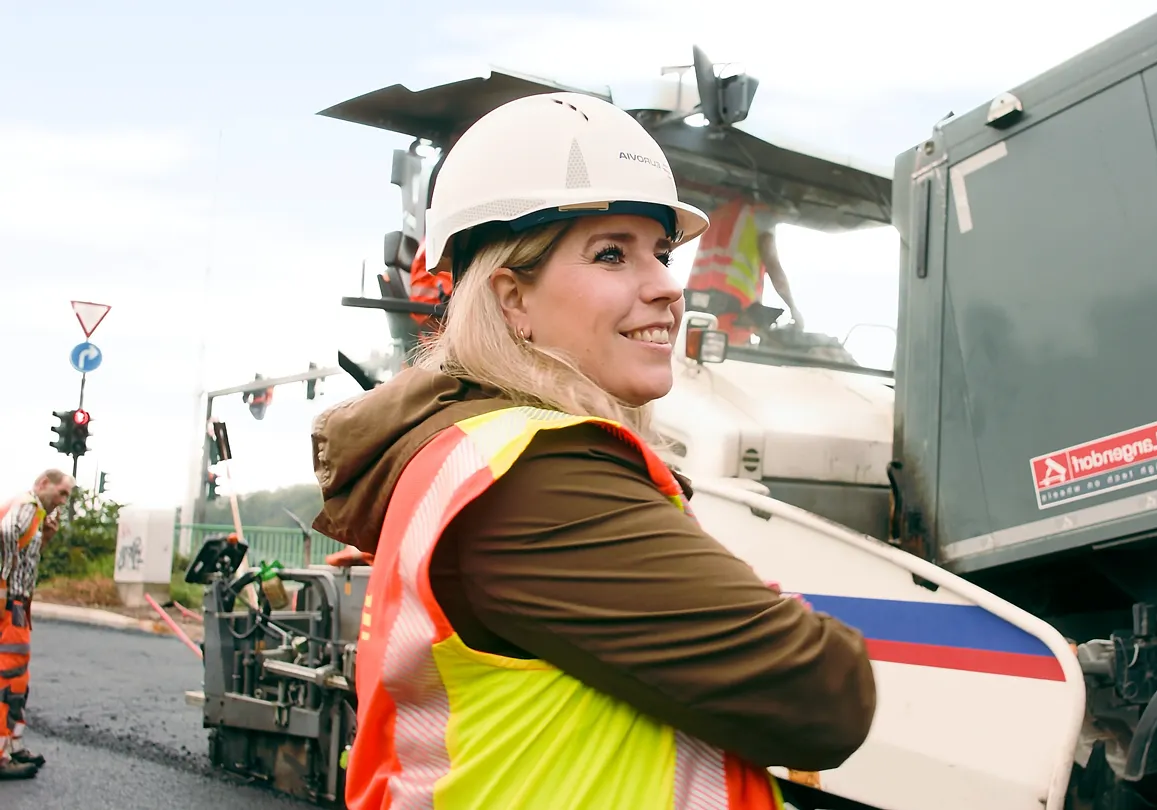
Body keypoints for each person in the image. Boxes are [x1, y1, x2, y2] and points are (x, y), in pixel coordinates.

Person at [310, 91, 876, 810]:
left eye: (663, 253)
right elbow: (825, 694)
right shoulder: (538, 479)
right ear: (512, 298)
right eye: (613, 254)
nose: (669, 286)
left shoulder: (479, 449)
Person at [0, 469, 72, 780]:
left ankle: (12, 744)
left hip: (18, 604)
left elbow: (23, 554)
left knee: (18, 677)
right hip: (11, 604)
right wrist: (3, 583)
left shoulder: (35, 513)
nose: (63, 501)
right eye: (62, 493)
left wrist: (46, 539)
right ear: (44, 484)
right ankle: (2, 754)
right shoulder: (28, 506)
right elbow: (4, 536)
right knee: (9, 674)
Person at [686, 190, 803, 345]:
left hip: (696, 314)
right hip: (735, 316)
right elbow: (773, 265)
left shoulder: (720, 213)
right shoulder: (761, 216)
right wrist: (793, 308)